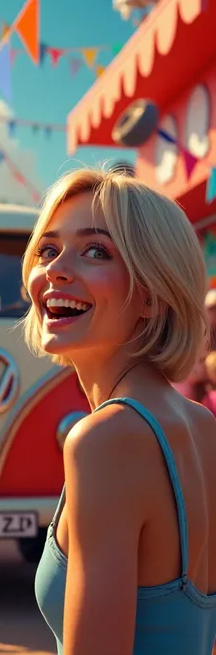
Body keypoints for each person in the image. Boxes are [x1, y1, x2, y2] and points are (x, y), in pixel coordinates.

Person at [23, 168, 216, 654]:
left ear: (151, 294)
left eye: (96, 251)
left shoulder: (105, 440)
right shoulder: (202, 425)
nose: (56, 270)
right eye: (48, 250)